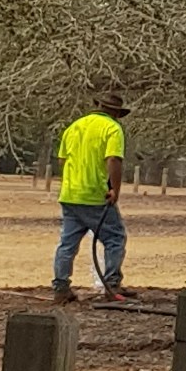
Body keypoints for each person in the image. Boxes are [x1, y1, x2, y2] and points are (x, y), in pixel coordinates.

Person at [50, 89, 131, 303]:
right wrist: (115, 189)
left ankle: (61, 287)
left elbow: (62, 160)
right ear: (116, 113)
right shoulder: (112, 128)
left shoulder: (74, 127)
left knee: (67, 243)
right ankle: (112, 285)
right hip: (96, 195)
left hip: (70, 195)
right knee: (115, 238)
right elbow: (113, 159)